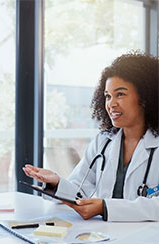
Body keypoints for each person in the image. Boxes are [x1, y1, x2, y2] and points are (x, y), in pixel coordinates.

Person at [24, 52, 159, 222]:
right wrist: (56, 182)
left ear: (145, 98)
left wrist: (105, 208)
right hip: (105, 237)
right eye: (108, 96)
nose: (111, 104)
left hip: (147, 242)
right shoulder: (103, 142)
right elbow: (79, 191)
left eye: (120, 94)